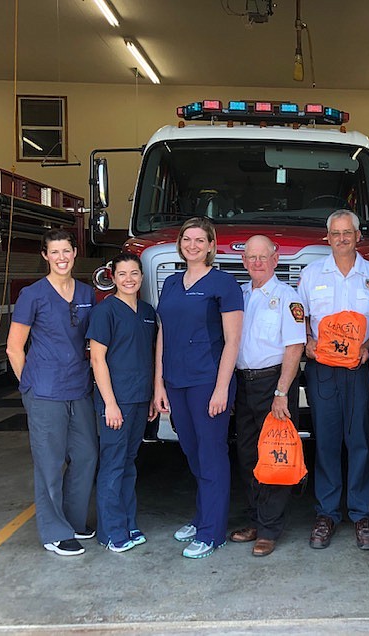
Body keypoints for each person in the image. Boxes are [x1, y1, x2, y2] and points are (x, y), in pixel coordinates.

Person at [153, 217, 243, 559]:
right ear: (180, 244)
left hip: (208, 381)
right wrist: (158, 382)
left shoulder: (224, 284)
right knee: (191, 451)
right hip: (176, 381)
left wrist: (222, 388)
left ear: (210, 246)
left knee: (211, 453)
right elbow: (163, 333)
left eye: (199, 240)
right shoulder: (172, 284)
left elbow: (233, 340)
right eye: (186, 239)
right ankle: (203, 515)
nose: (192, 245)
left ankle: (211, 532)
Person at [297, 210, 369, 550]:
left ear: (358, 235)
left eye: (347, 233)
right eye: (335, 233)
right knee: (327, 441)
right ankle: (327, 513)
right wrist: (307, 340)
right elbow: (300, 316)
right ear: (328, 237)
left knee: (360, 441)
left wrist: (367, 346)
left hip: (360, 369)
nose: (342, 238)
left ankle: (361, 514)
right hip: (323, 369)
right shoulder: (311, 274)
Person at [6, 228, 98, 557]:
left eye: (67, 251)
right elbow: (14, 348)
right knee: (49, 462)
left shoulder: (87, 292)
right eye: (54, 252)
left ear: (75, 253)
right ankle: (54, 531)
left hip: (78, 386)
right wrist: (28, 385)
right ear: (45, 256)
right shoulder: (33, 294)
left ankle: (72, 520)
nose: (61, 257)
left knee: (86, 455)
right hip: (44, 389)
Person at [229, 235, 306, 557]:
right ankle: (255, 520)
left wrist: (281, 393)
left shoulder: (289, 298)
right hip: (242, 384)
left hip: (272, 384)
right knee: (247, 455)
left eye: (264, 257)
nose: (257, 263)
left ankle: (270, 529)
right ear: (244, 262)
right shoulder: (239, 296)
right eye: (251, 257)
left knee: (275, 457)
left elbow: (295, 346)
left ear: (276, 260)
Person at [87, 253, 156, 553]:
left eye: (134, 273)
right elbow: (97, 359)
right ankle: (111, 531)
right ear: (112, 278)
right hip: (116, 402)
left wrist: (152, 396)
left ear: (141, 277)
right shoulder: (106, 312)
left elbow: (149, 356)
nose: (129, 279)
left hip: (140, 399)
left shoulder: (148, 311)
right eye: (122, 274)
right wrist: (110, 404)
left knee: (128, 463)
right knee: (113, 465)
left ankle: (128, 522)